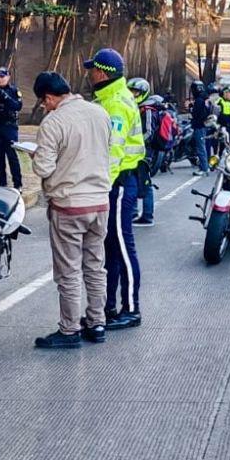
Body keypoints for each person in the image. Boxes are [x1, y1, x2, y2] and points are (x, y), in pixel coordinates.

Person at [31, 72, 112, 349]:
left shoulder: (53, 122)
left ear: (50, 97)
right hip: (100, 202)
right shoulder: (99, 113)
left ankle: (69, 330)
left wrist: (35, 156)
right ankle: (97, 322)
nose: (45, 107)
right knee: (95, 265)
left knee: (68, 271)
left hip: (69, 205)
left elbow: (44, 168)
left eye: (44, 102)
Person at [84, 48, 145, 330]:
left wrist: (100, 188)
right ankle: (107, 308)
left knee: (122, 246)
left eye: (92, 70)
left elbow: (114, 152)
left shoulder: (117, 103)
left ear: (102, 73)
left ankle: (131, 309)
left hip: (118, 184)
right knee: (109, 249)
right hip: (113, 183)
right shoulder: (108, 100)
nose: (89, 74)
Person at [128, 77, 157, 227]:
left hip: (145, 153)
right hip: (134, 152)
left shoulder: (148, 109)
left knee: (145, 182)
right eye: (131, 91)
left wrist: (136, 141)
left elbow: (149, 132)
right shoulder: (134, 108)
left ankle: (147, 215)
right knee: (131, 180)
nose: (133, 94)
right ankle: (132, 212)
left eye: (136, 92)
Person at [189, 80, 211, 176]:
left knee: (200, 147)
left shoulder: (199, 100)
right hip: (204, 126)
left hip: (199, 126)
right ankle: (204, 166)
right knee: (202, 146)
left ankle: (204, 168)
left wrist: (191, 109)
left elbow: (196, 114)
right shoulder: (205, 99)